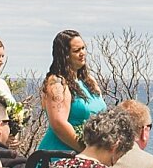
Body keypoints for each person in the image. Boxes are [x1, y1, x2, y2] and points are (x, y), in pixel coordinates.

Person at [38, 29, 107, 161]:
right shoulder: (57, 83)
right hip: (59, 157)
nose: (82, 53)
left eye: (83, 48)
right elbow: (58, 124)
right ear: (64, 55)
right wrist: (87, 152)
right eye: (76, 51)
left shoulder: (89, 81)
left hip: (88, 157)